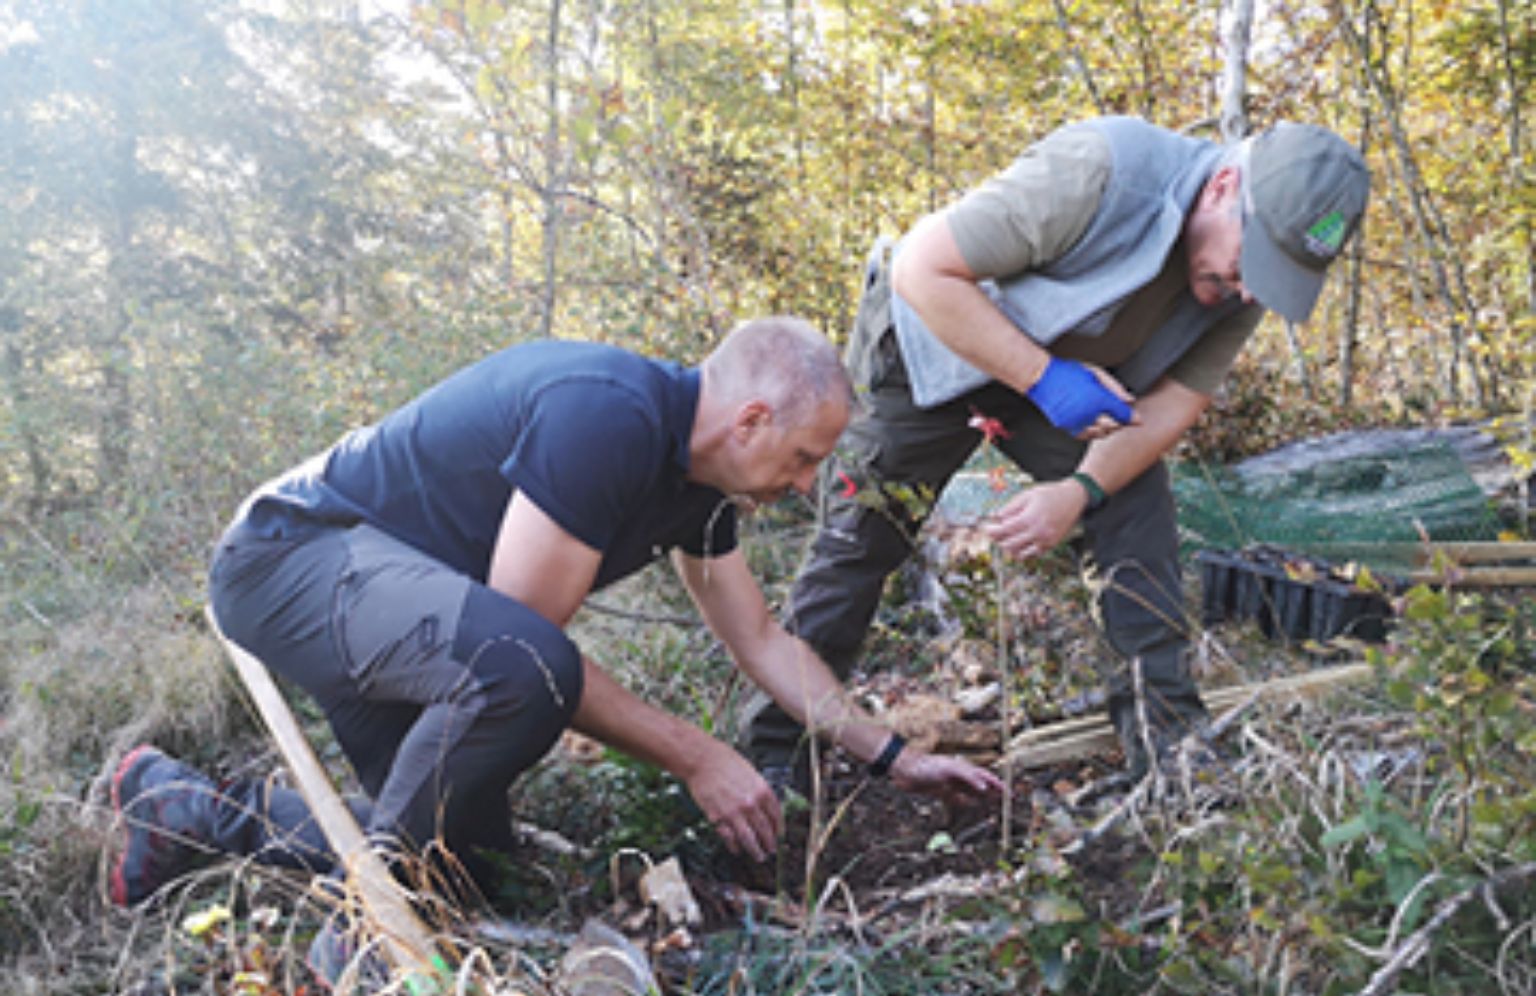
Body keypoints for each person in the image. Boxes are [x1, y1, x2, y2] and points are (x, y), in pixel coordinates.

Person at [108, 318, 1003, 947]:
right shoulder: (606, 411)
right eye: (806, 458)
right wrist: (698, 754)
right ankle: (368, 952)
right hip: (293, 560)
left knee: (461, 874)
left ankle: (187, 811)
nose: (808, 485)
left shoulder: (699, 486)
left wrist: (893, 756)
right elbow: (521, 650)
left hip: (404, 610)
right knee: (522, 671)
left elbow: (761, 637)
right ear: (752, 420)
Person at [740, 117, 1371, 788]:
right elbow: (921, 268)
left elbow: (1168, 410)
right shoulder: (1102, 171)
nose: (1250, 290)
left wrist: (1080, 491)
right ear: (1222, 188)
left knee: (1135, 511)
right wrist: (1043, 379)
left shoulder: (1244, 283)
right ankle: (774, 759)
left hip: (1056, 376)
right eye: (1254, 264)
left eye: (1273, 278)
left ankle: (1175, 757)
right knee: (864, 535)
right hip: (936, 343)